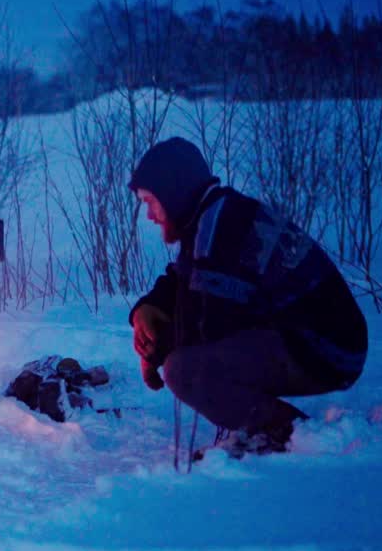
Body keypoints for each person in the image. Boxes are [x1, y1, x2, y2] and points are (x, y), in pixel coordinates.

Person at [128, 137, 367, 456]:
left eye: (150, 201)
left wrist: (156, 350)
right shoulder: (215, 214)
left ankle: (285, 433)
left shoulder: (221, 228)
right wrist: (148, 308)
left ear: (174, 193)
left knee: (184, 370)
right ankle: (275, 430)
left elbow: (207, 329)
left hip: (327, 348)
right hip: (322, 340)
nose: (149, 215)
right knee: (187, 362)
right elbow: (184, 278)